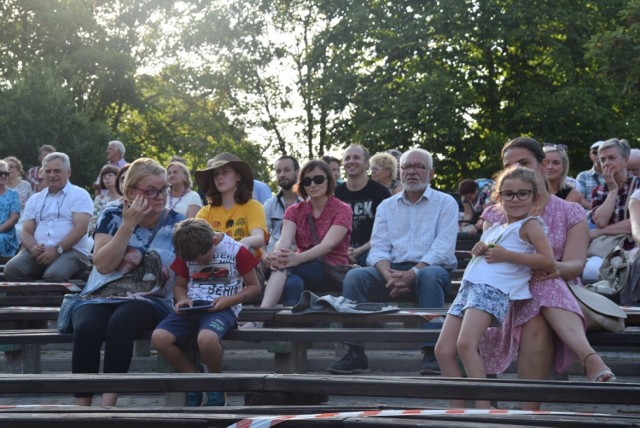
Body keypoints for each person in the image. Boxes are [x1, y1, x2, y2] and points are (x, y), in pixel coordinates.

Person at [479, 136, 615, 411]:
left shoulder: (569, 211)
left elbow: (576, 264)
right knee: (537, 289)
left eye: (524, 162)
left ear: (542, 166)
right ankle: (588, 359)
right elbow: (492, 262)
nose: (517, 169)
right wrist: (539, 266)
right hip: (509, 293)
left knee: (540, 293)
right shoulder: (495, 213)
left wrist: (553, 268)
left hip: (561, 292)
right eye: (509, 165)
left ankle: (530, 408)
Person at [328, 148, 458, 376]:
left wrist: (413, 273)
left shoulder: (445, 202)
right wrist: (387, 273)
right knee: (355, 277)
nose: (412, 172)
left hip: (431, 270)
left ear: (432, 173)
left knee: (428, 276)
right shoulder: (387, 205)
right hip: (392, 271)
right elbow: (378, 247)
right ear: (400, 171)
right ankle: (355, 352)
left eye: (419, 167)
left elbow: (443, 249)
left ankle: (432, 353)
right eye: (407, 166)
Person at [435, 167, 555, 409]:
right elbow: (484, 253)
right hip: (469, 288)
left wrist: (507, 255)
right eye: (508, 194)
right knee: (443, 349)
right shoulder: (496, 228)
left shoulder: (531, 225)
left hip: (492, 289)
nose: (516, 199)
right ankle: (457, 407)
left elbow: (548, 261)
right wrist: (479, 248)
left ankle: (485, 407)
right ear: (499, 198)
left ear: (534, 196)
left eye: (523, 193)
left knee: (466, 345)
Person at [70, 158, 184, 406]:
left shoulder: (178, 223)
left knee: (121, 322)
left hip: (149, 299)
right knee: (88, 327)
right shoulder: (112, 213)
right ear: (131, 192)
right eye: (151, 190)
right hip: (100, 294)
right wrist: (128, 224)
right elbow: (103, 265)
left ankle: (107, 405)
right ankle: (81, 407)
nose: (160, 196)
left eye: (164, 189)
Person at [151, 218, 260, 407]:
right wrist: (182, 299)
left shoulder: (236, 251)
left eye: (202, 259)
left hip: (223, 308)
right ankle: (192, 377)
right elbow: (179, 286)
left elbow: (254, 287)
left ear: (214, 242)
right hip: (193, 307)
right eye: (193, 261)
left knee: (207, 340)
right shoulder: (188, 252)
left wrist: (228, 300)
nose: (198, 263)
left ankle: (215, 382)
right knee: (159, 338)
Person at [255, 160, 352, 313]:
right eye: (307, 181)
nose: (313, 185)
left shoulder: (342, 209)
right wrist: (277, 255)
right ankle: (296, 330)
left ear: (329, 180)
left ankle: (259, 320)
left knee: (284, 266)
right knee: (292, 283)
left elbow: (328, 245)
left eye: (318, 179)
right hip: (299, 267)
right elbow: (284, 240)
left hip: (330, 270)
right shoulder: (294, 211)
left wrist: (296, 259)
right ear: (302, 185)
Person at [3, 152, 93, 282]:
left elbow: (81, 229)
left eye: (57, 171)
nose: (52, 175)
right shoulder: (35, 199)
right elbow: (26, 232)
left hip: (71, 251)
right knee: (12, 269)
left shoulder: (80, 195)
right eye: (48, 171)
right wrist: (33, 247)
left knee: (54, 275)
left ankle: (48, 299)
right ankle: (33, 300)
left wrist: (58, 249)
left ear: (68, 172)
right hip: (39, 251)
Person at [583, 138, 640, 283]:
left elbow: (634, 223)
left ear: (625, 160)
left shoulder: (638, 187)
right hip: (606, 248)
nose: (606, 163)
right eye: (603, 159)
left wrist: (602, 231)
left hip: (633, 246)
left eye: (612, 158)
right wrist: (613, 190)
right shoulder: (600, 190)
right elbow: (600, 221)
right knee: (590, 271)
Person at [195, 153, 267, 258]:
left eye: (225, 172)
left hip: (247, 266)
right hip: (213, 264)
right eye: (216, 174)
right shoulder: (205, 212)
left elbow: (259, 238)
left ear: (238, 176)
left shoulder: (253, 206)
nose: (219, 177)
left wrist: (247, 241)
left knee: (248, 251)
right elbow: (196, 240)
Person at [335, 145, 390, 266]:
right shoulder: (335, 193)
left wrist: (359, 251)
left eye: (356, 157)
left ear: (366, 164)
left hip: (371, 249)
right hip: (339, 251)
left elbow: (387, 231)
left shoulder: (381, 192)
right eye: (347, 158)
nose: (351, 161)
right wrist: (343, 251)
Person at [262, 155, 303, 255]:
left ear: (298, 172)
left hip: (302, 255)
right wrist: (265, 256)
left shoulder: (309, 201)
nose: (282, 174)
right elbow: (261, 236)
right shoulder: (270, 204)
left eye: (286, 170)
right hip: (274, 254)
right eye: (278, 171)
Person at [88, 164, 120, 237]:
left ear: (117, 177)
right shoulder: (99, 199)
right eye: (104, 177)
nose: (106, 178)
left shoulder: (126, 198)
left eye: (110, 175)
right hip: (102, 236)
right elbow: (93, 223)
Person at [576, 141, 605, 209]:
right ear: (590, 155)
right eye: (595, 152)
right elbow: (578, 198)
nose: (598, 155)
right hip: (589, 217)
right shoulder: (583, 176)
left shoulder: (616, 174)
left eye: (601, 152)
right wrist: (597, 210)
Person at [0, 160, 20, 256]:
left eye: (6, 173)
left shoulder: (13, 194)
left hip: (6, 235)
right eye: (0, 173)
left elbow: (14, 218)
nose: (3, 176)